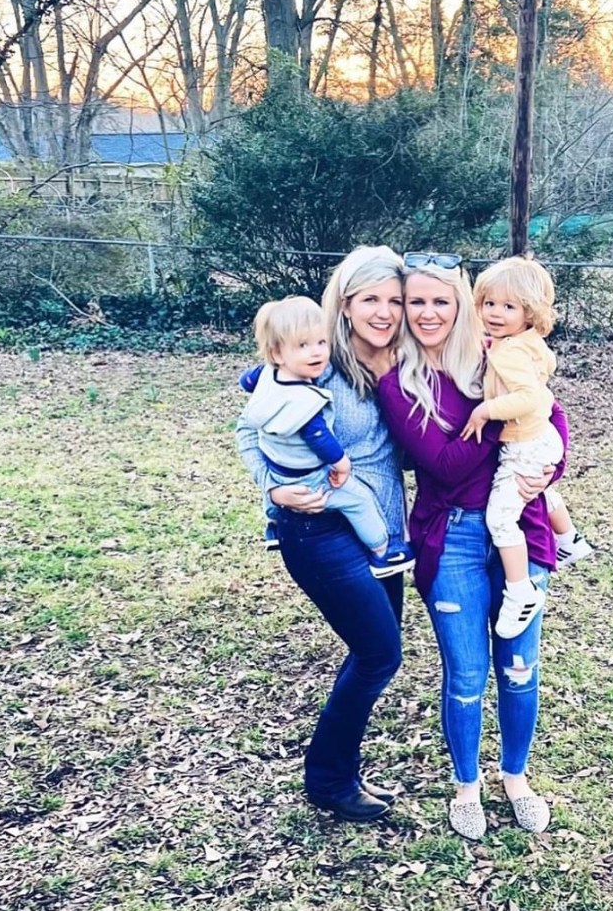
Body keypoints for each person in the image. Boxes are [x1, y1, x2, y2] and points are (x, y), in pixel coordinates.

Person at [378, 251, 569, 840]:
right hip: (454, 535)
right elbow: (444, 463)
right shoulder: (399, 383)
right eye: (416, 302)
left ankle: (516, 778)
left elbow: (552, 415)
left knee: (519, 668)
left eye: (441, 300)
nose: (429, 312)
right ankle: (467, 785)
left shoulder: (495, 353)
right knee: (466, 675)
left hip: (521, 529)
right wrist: (505, 429)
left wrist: (547, 468)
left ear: (460, 303)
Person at [235, 247, 408, 823]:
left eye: (394, 300)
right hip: (319, 528)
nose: (384, 312)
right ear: (346, 303)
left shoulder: (405, 361)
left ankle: (340, 770)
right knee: (379, 653)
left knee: (373, 651)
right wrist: (272, 488)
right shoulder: (316, 361)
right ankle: (329, 779)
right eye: (370, 299)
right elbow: (248, 427)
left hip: (383, 528)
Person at [238, 295, 413, 576]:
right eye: (303, 346)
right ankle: (383, 549)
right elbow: (319, 437)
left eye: (321, 343)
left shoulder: (271, 374)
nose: (316, 352)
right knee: (359, 502)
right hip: (315, 482)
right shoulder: (307, 396)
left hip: (283, 466)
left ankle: (272, 522)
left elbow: (247, 380)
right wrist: (342, 464)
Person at [461, 257, 590, 638]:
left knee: (501, 518)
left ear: (529, 312)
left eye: (508, 306)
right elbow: (544, 375)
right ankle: (569, 539)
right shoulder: (526, 342)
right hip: (542, 437)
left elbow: (527, 398)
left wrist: (486, 409)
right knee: (540, 489)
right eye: (489, 303)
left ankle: (520, 591)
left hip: (525, 442)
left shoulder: (509, 352)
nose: (495, 313)